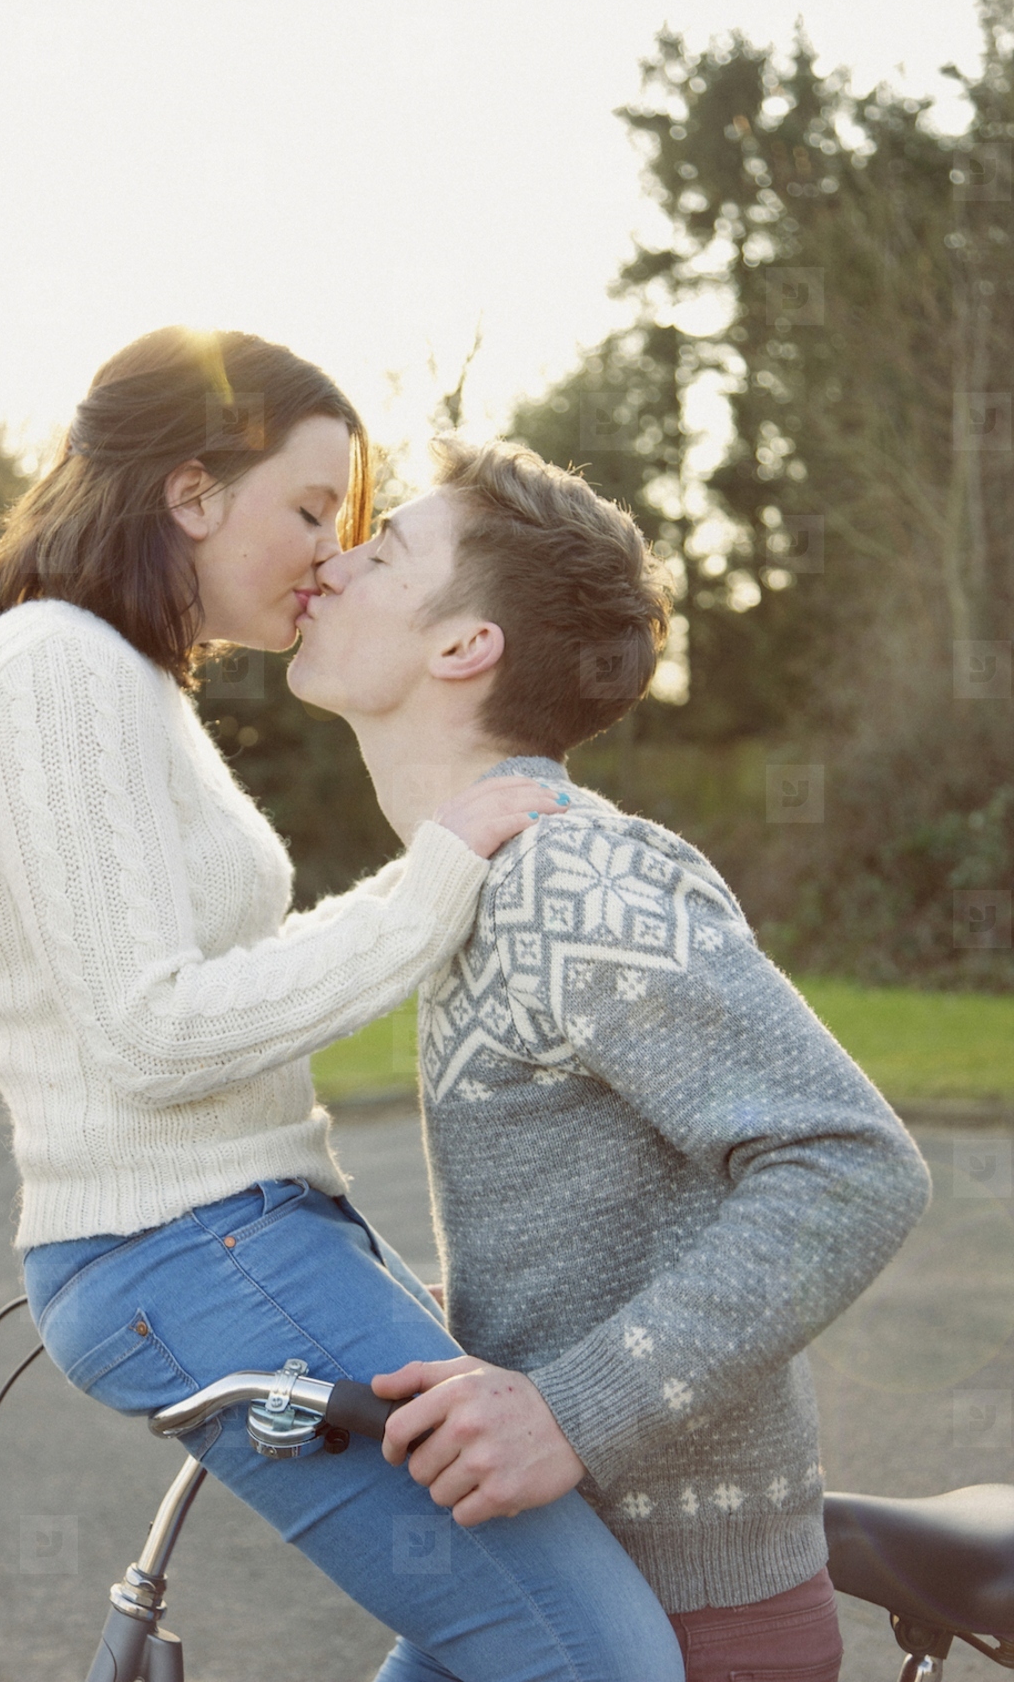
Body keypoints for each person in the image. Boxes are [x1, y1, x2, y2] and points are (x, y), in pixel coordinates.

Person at [0, 327, 686, 1682]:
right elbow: (149, 1028)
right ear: (193, 490)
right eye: (311, 505)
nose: (330, 550)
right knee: (599, 1658)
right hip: (186, 1244)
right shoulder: (55, 666)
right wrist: (434, 876)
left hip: (238, 1236)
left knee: (511, 1640)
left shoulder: (117, 676)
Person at [286, 433, 935, 1682]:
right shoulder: (475, 881)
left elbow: (851, 1164)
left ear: (463, 644)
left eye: (380, 549)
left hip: (680, 1623)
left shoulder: (566, 873)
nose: (330, 560)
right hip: (545, 1579)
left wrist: (567, 1411)